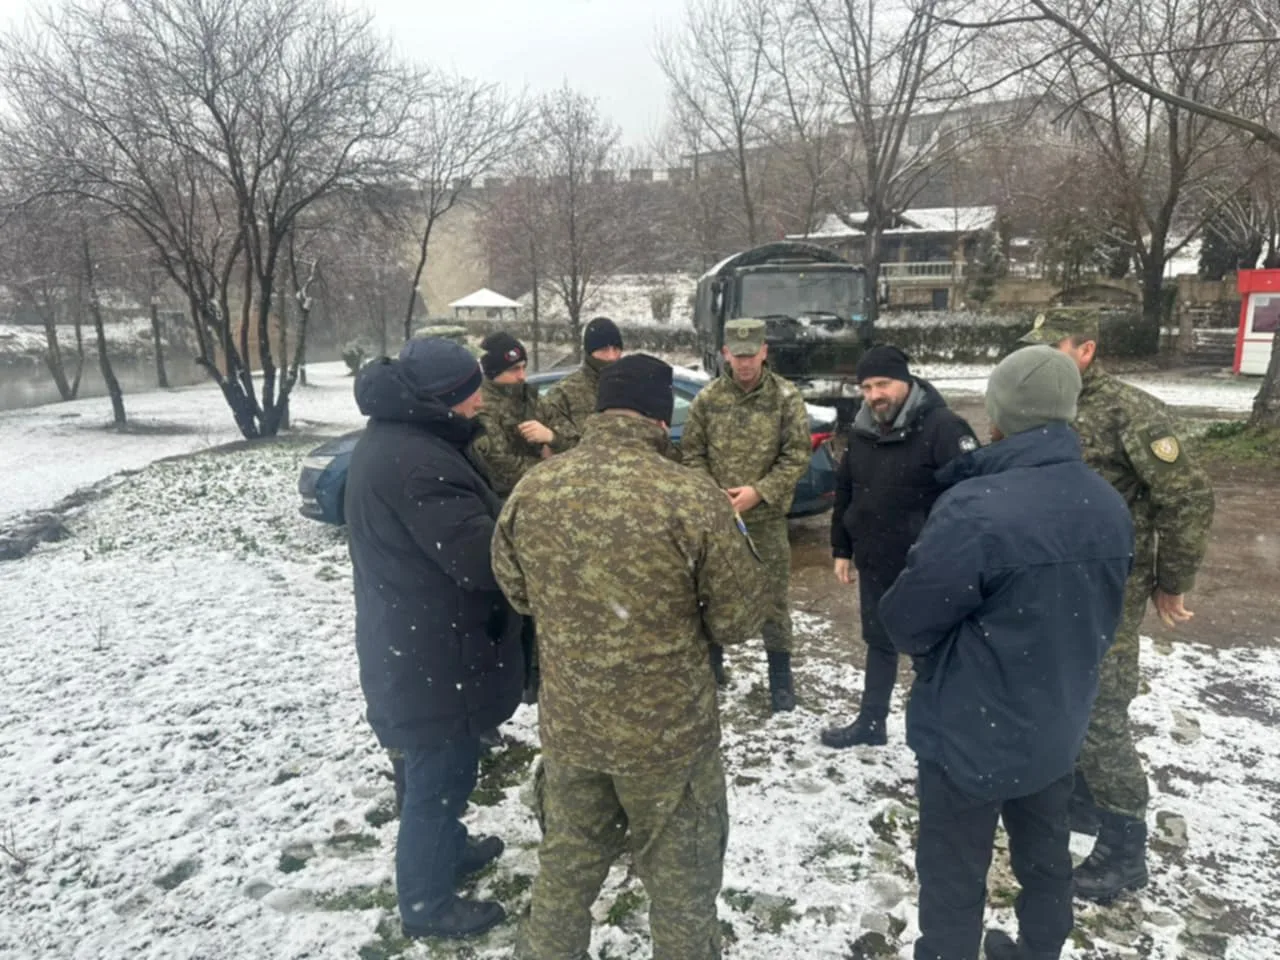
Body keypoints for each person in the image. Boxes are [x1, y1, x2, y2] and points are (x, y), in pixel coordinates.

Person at [491, 354, 764, 960]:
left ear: (597, 410)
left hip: (573, 728)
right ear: (661, 418)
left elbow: (516, 591)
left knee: (566, 872)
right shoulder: (691, 498)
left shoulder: (535, 489)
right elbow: (740, 620)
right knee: (683, 894)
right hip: (669, 740)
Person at [880, 346, 1134, 960]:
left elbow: (906, 620)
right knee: (1046, 859)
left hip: (970, 730)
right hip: (1057, 722)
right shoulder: (1106, 502)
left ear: (1000, 413)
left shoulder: (976, 507)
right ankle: (1042, 949)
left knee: (952, 877)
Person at [1019, 308, 1215, 903]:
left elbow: (1187, 498)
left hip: (1108, 597)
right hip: (1050, 587)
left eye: (1051, 348)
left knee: (1102, 715)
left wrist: (1170, 581)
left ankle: (1125, 848)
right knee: (1061, 697)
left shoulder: (1131, 412)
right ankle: (1080, 801)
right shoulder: (1039, 405)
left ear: (1086, 350)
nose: (1038, 360)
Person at [345, 337, 524, 940]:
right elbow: (479, 560)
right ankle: (426, 903)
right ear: (446, 398)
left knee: (445, 767)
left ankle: (450, 849)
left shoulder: (402, 440)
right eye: (472, 391)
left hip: (417, 640)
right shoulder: (422, 463)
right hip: (430, 652)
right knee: (435, 778)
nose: (480, 400)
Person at [821, 345, 978, 748]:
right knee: (880, 642)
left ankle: (945, 736)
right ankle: (871, 723)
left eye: (883, 384)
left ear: (906, 382)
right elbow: (845, 490)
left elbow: (973, 500)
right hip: (876, 561)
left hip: (928, 570)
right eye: (867, 387)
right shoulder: (861, 430)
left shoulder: (945, 428)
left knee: (935, 654)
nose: (875, 395)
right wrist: (842, 547)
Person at [680, 317, 812, 713]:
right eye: (737, 356)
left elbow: (797, 455)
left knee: (773, 601)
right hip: (719, 520)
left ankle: (781, 683)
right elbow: (692, 453)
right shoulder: (707, 400)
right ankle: (715, 670)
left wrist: (759, 492)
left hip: (766, 519)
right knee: (711, 596)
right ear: (725, 354)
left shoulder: (786, 399)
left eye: (751, 354)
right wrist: (711, 493)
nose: (745, 363)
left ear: (764, 351)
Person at [473, 331, 568, 498]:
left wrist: (552, 438)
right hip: (509, 502)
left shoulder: (530, 397)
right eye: (514, 369)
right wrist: (550, 463)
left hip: (547, 493)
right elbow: (502, 471)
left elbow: (574, 440)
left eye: (524, 367)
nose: (522, 376)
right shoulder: (480, 407)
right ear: (494, 371)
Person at [543, 315, 624, 448]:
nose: (611, 356)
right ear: (589, 352)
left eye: (616, 349)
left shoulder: (631, 388)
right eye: (604, 350)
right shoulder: (564, 393)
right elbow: (556, 444)